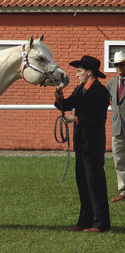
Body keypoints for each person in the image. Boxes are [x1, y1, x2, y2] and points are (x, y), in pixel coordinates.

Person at [54, 55, 111, 233]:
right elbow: (67, 105)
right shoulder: (80, 90)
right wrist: (59, 98)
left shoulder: (100, 92)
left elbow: (97, 118)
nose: (77, 74)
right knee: (83, 182)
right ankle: (85, 221)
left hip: (93, 144)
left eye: (79, 71)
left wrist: (75, 119)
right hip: (81, 143)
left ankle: (101, 223)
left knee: (95, 182)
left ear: (89, 72)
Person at [107, 51, 125, 202]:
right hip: (117, 127)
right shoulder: (111, 83)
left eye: (122, 64)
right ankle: (123, 191)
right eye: (116, 65)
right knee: (118, 160)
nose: (119, 67)